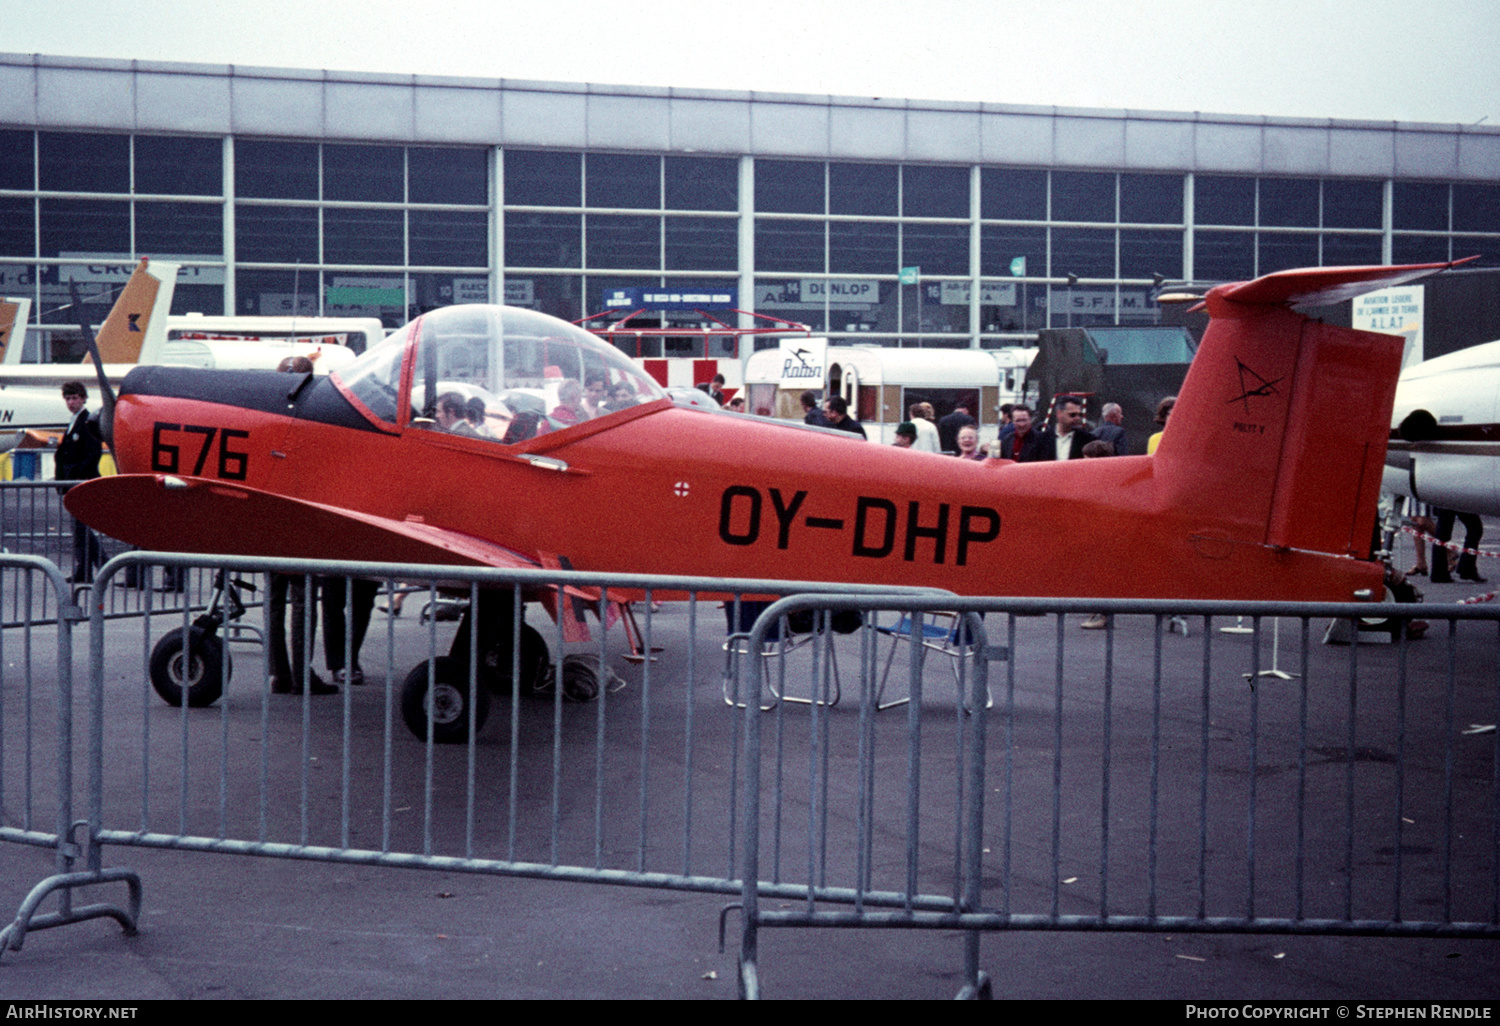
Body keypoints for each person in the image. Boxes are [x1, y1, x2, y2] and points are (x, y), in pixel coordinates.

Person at [55, 380, 103, 583]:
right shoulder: (74, 420)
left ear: (83, 398)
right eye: (67, 398)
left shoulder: (87, 421)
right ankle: (89, 567)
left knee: (81, 527)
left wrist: (77, 474)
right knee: (79, 528)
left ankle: (100, 564)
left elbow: (93, 452)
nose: (71, 402)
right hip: (71, 481)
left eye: (75, 398)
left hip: (82, 481)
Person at [1027, 396, 1095, 462]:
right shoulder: (1040, 440)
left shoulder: (1088, 440)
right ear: (1059, 413)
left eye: (1080, 415)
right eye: (1072, 415)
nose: (1077, 418)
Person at [1430, 507, 1487, 584]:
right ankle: (1467, 567)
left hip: (1444, 498)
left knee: (1442, 533)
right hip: (1461, 500)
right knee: (1475, 528)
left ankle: (1438, 572)